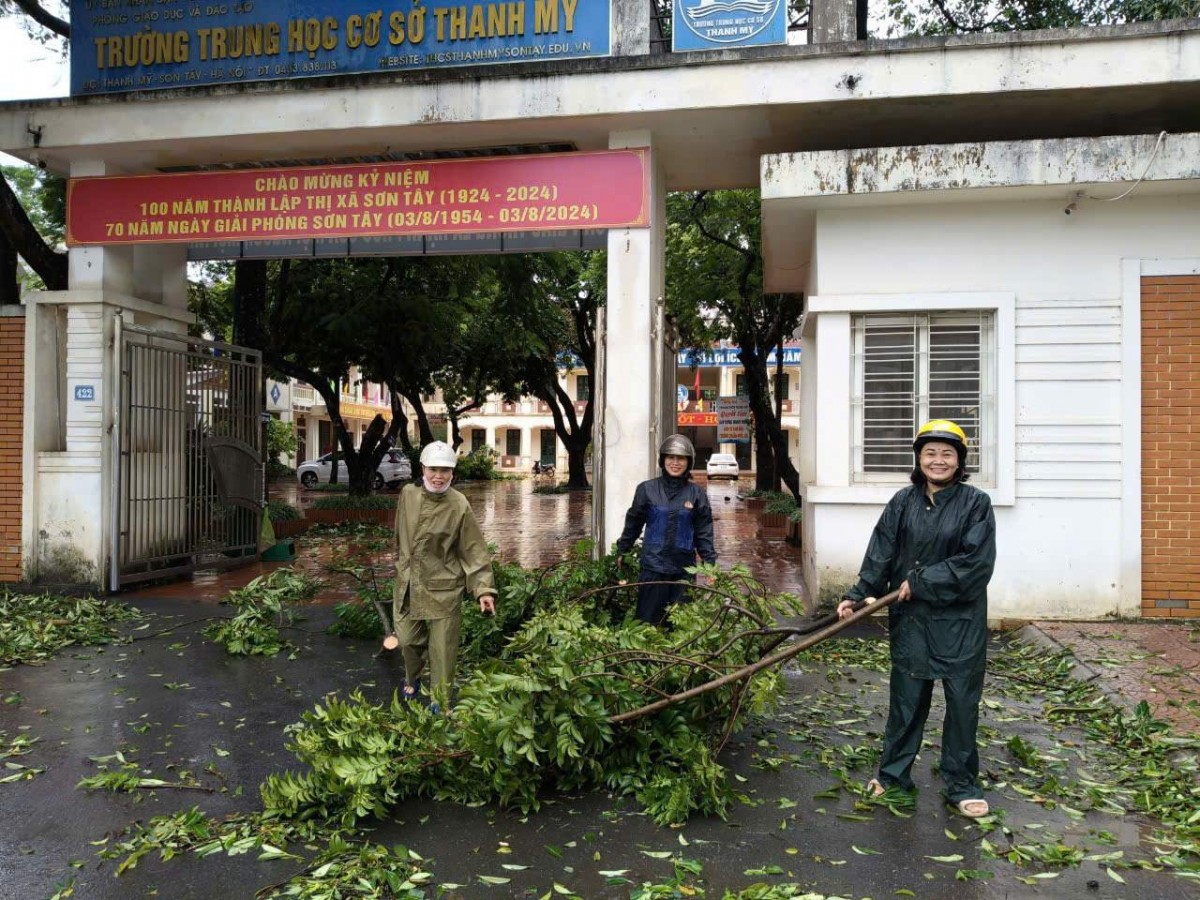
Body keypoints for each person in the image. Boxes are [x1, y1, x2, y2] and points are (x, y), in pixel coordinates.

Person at [837, 419, 996, 818]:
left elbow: (975, 564)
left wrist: (921, 580)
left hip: (959, 622)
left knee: (961, 706)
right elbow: (881, 552)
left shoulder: (976, 504)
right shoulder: (902, 502)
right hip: (911, 621)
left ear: (960, 461)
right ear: (919, 459)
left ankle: (961, 784)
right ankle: (893, 776)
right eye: (930, 453)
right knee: (906, 703)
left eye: (947, 454)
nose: (938, 460)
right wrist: (858, 594)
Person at [393, 440, 496, 708]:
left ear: (453, 473)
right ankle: (413, 677)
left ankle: (440, 702)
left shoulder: (459, 504)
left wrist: (483, 589)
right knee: (407, 640)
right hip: (408, 583)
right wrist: (400, 564)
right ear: (423, 468)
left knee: (442, 650)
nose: (438, 476)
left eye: (445, 470)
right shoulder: (408, 494)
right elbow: (399, 533)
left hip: (444, 586)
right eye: (433, 469)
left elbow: (472, 549)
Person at [615, 434, 717, 625]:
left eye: (681, 458)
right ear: (663, 460)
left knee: (681, 625)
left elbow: (704, 532)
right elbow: (633, 523)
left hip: (683, 571)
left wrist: (709, 564)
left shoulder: (696, 494)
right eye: (671, 457)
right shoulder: (647, 489)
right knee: (647, 624)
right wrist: (623, 549)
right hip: (653, 567)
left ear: (689, 462)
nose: (675, 463)